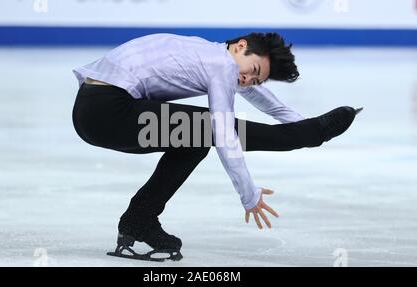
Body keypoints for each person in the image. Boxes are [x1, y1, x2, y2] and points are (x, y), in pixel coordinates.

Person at [72, 32, 361, 261]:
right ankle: (299, 137)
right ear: (241, 46)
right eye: (254, 69)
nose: (248, 79)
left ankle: (139, 219)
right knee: (206, 128)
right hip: (108, 111)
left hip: (93, 110)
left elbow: (259, 96)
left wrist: (300, 124)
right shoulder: (221, 66)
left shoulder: (211, 53)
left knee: (194, 140)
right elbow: (223, 133)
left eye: (255, 78)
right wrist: (249, 195)